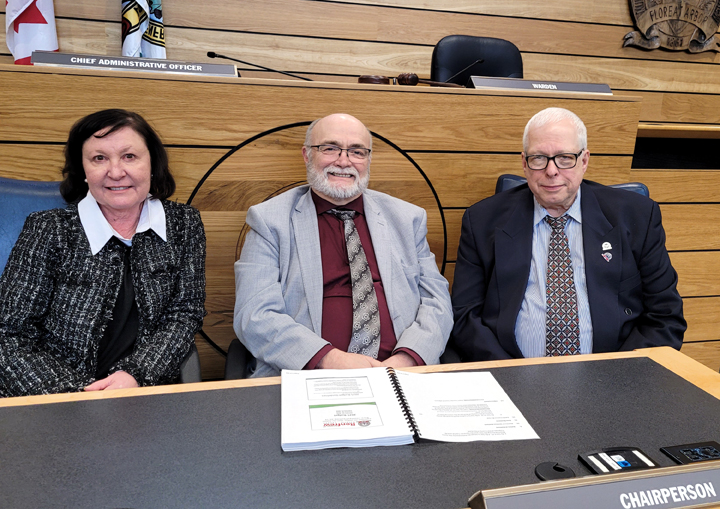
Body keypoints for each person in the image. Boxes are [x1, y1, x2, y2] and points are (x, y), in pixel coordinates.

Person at [450, 107, 685, 361]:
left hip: (611, 379)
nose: (551, 171)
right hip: (511, 374)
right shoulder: (482, 220)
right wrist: (508, 374)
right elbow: (464, 316)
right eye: (539, 158)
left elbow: (665, 317)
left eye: (564, 158)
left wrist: (616, 376)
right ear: (524, 164)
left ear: (584, 161)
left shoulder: (636, 216)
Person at [0, 109, 206, 396]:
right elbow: (8, 334)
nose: (116, 171)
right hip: (55, 399)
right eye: (99, 158)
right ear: (83, 170)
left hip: (144, 394)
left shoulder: (183, 224)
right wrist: (72, 396)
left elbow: (185, 314)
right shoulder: (48, 228)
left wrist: (137, 374)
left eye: (129, 156)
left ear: (152, 163)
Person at [234, 113, 452, 377]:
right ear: (306, 155)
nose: (344, 161)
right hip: (309, 372)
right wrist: (329, 359)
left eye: (357, 152)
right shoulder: (269, 220)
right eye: (330, 148)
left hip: (402, 373)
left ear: (368, 159)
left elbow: (437, 302)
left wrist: (408, 359)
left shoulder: (407, 218)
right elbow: (254, 315)